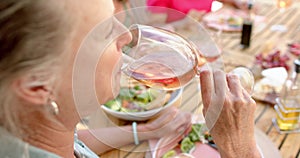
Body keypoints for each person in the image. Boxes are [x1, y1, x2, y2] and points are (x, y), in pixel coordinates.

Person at [0, 0, 261, 158]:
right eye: (105, 31)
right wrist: (240, 149)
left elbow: (71, 141)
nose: (126, 36)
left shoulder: (28, 129)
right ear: (38, 85)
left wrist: (145, 131)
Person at [146, 0, 249, 22]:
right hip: (180, 42)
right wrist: (184, 20)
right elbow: (152, 23)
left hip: (207, 36)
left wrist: (236, 2)